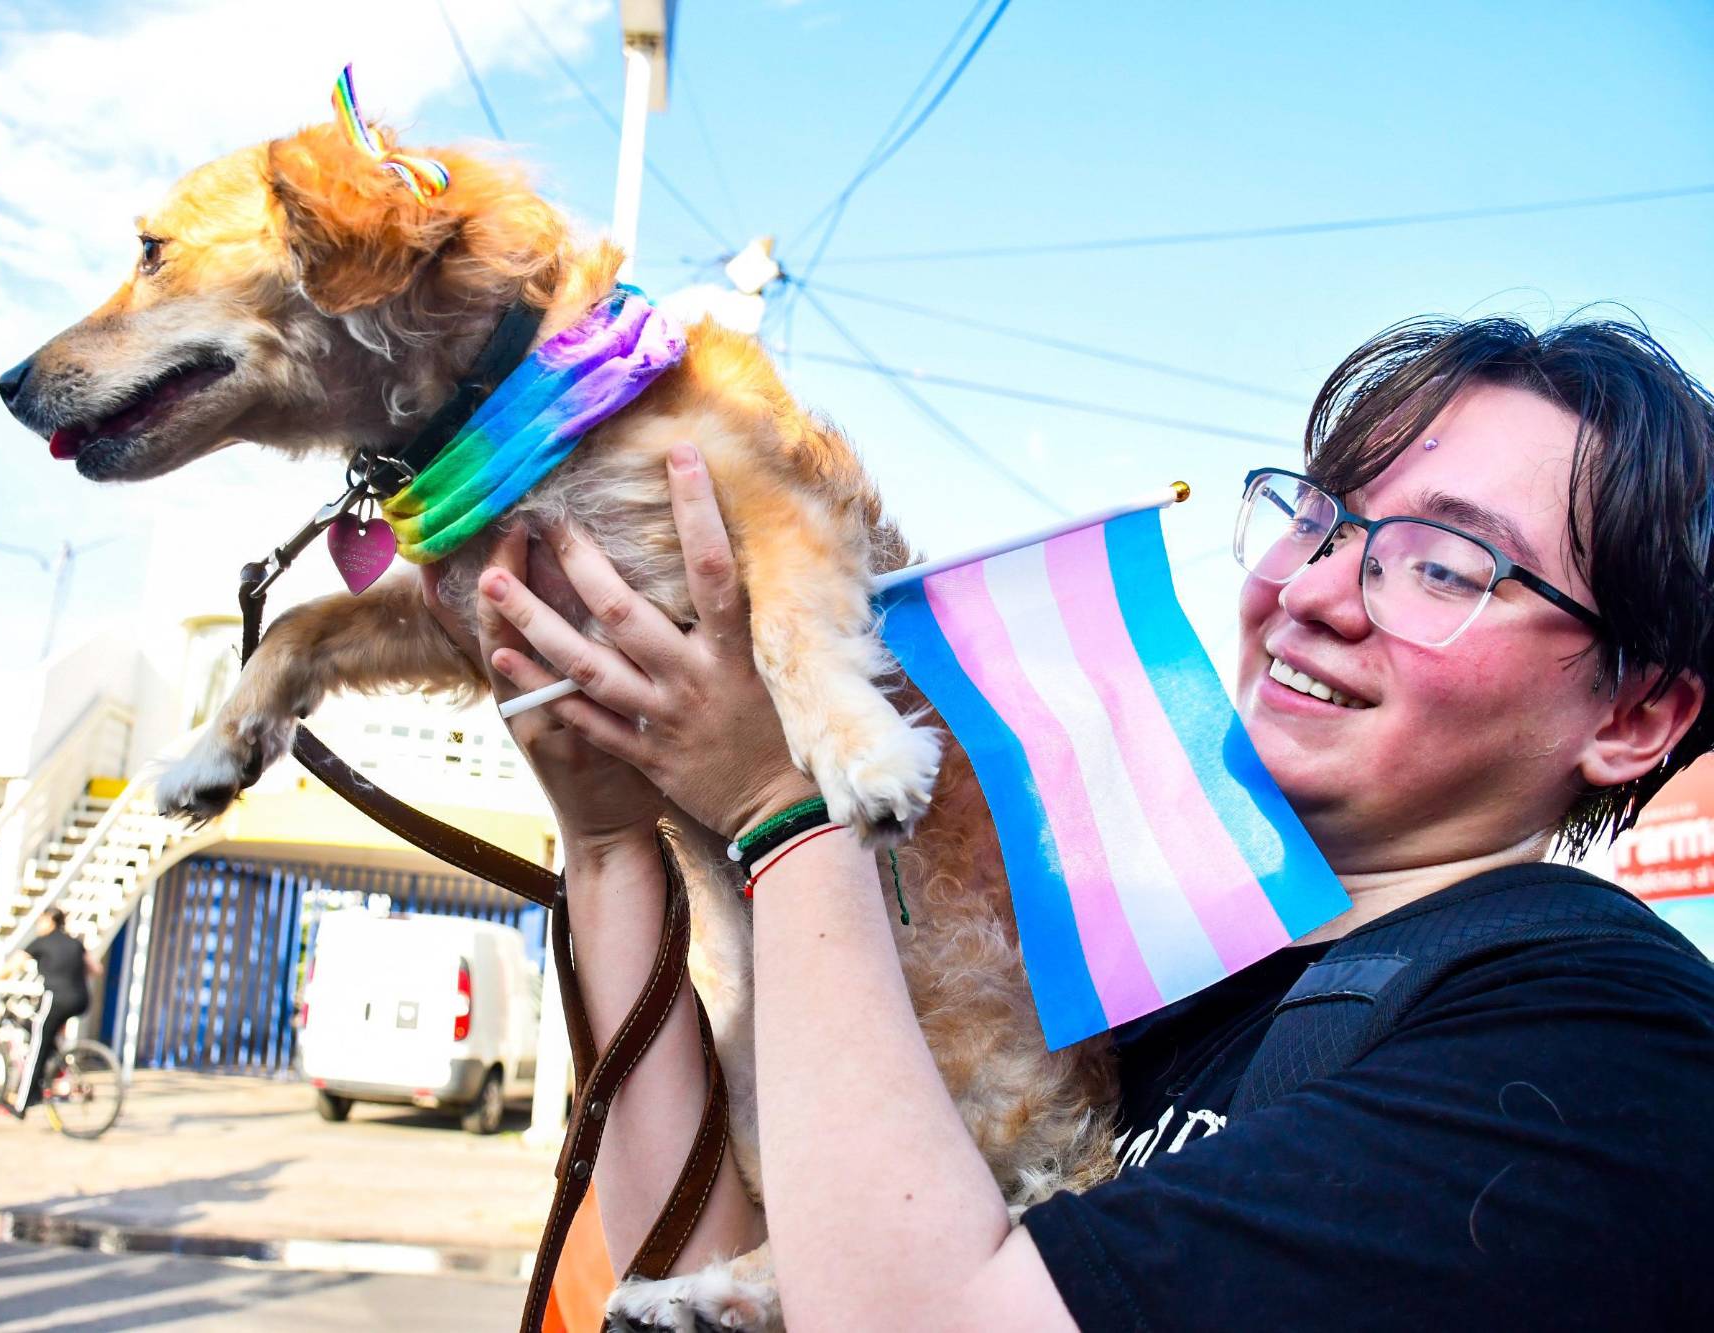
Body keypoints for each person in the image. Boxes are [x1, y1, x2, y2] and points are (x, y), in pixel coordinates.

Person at [434, 315, 1714, 1329]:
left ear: (1637, 714)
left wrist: (787, 809)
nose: (1313, 591)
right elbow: (692, 1279)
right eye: (1318, 519)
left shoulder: (1600, 1048)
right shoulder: (1147, 938)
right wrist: (607, 852)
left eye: (1441, 564)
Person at [16, 908, 97, 1108]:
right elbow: (96, 969)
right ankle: (56, 1069)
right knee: (45, 1035)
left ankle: (24, 1101)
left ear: (50, 921)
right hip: (80, 999)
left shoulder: (42, 942)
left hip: (56, 999)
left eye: (40, 921)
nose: (38, 926)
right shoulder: (75, 943)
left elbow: (13, 965)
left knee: (37, 1043)